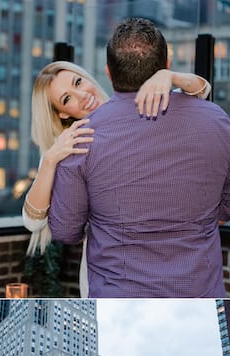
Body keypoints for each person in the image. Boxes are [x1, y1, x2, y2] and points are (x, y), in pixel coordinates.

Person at [48, 17, 230, 298]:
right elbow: (226, 206)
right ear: (166, 65)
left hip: (119, 299)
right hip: (200, 296)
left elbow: (65, 231)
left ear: (108, 72)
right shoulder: (217, 121)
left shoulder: (82, 137)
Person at [24, 60, 211, 297]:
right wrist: (50, 158)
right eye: (67, 99)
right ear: (62, 113)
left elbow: (202, 91)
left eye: (78, 82)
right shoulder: (66, 149)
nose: (82, 95)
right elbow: (33, 223)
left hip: (171, 262)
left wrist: (169, 76)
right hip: (108, 273)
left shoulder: (143, 106)